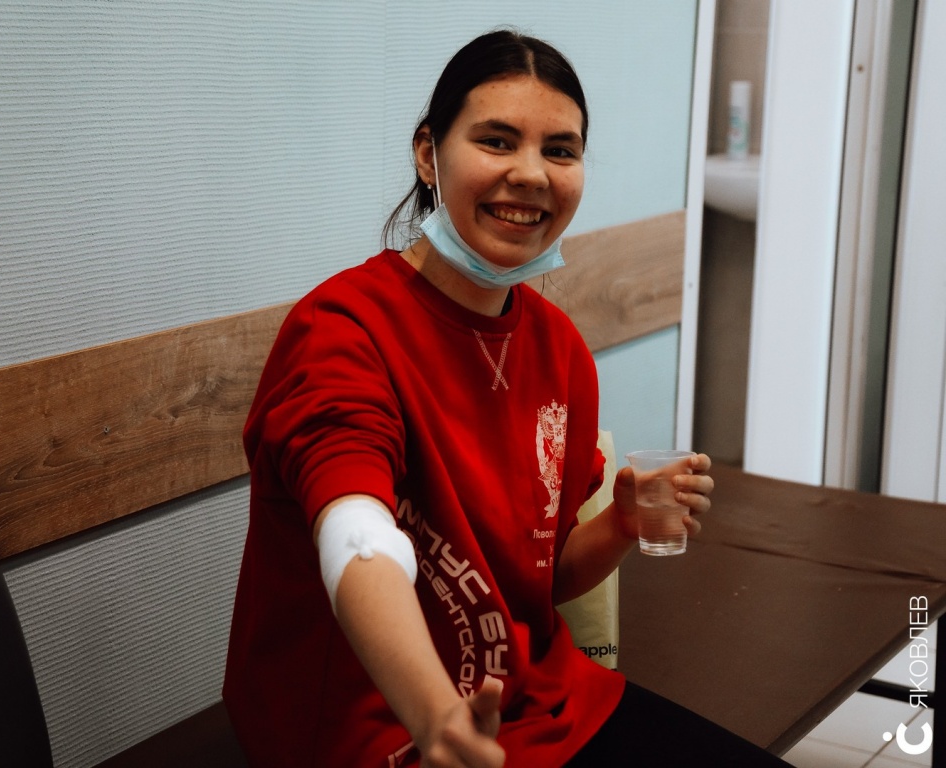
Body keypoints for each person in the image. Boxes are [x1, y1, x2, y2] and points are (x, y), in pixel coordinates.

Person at [223, 28, 789, 767]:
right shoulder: (343, 331)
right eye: (496, 141)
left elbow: (535, 581)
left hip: (541, 704)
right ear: (428, 154)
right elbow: (356, 539)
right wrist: (436, 718)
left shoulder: (559, 350)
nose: (531, 174)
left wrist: (620, 524)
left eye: (560, 150)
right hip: (382, 733)